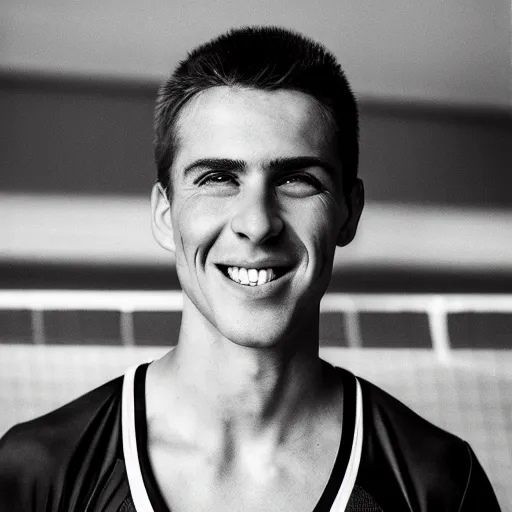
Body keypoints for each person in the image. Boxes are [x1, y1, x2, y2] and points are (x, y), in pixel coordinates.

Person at [0, 26, 501, 512]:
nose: (257, 223)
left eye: (297, 179)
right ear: (164, 213)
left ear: (349, 211)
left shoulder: (438, 483)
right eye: (218, 177)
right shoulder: (37, 472)